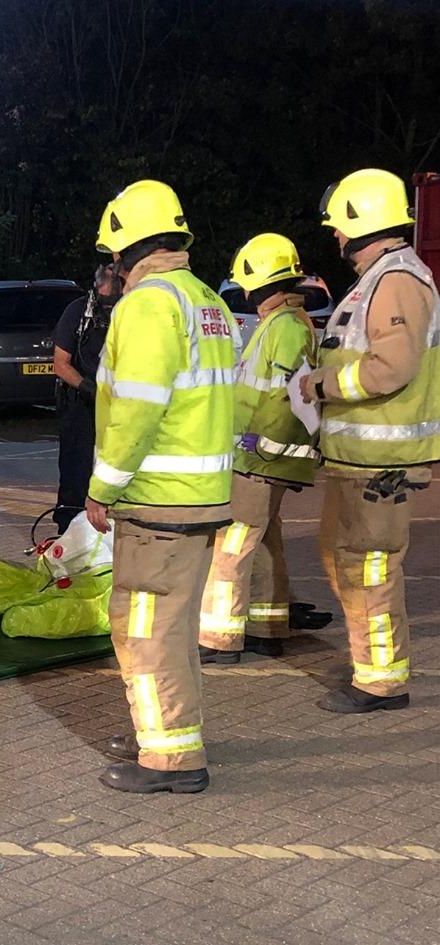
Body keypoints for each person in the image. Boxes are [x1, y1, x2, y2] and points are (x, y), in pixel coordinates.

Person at [85, 180, 238, 794]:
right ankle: (167, 734)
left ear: (125, 251)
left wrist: (101, 490)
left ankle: (171, 759)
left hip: (157, 500)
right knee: (170, 628)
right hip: (199, 499)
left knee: (144, 630)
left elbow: (137, 411)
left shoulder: (149, 305)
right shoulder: (209, 303)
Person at [300, 168, 439, 713]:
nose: (335, 235)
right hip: (361, 461)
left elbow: (391, 366)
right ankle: (372, 666)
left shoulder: (397, 279)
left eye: (339, 224)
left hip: (383, 461)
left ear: (361, 219)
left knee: (371, 569)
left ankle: (382, 683)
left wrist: (322, 385)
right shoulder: (381, 277)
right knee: (349, 561)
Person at [197, 234, 320, 664]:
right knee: (265, 543)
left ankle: (219, 638)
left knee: (230, 546)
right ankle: (267, 628)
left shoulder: (285, 327)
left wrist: (256, 449)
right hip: (269, 458)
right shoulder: (283, 323)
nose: (244, 293)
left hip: (261, 460)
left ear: (259, 283)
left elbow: (289, 396)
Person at [52, 262, 122, 533]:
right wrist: (88, 388)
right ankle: (67, 530)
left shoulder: (130, 310)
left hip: (119, 403)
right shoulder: (78, 312)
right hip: (80, 405)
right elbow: (60, 363)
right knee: (76, 471)